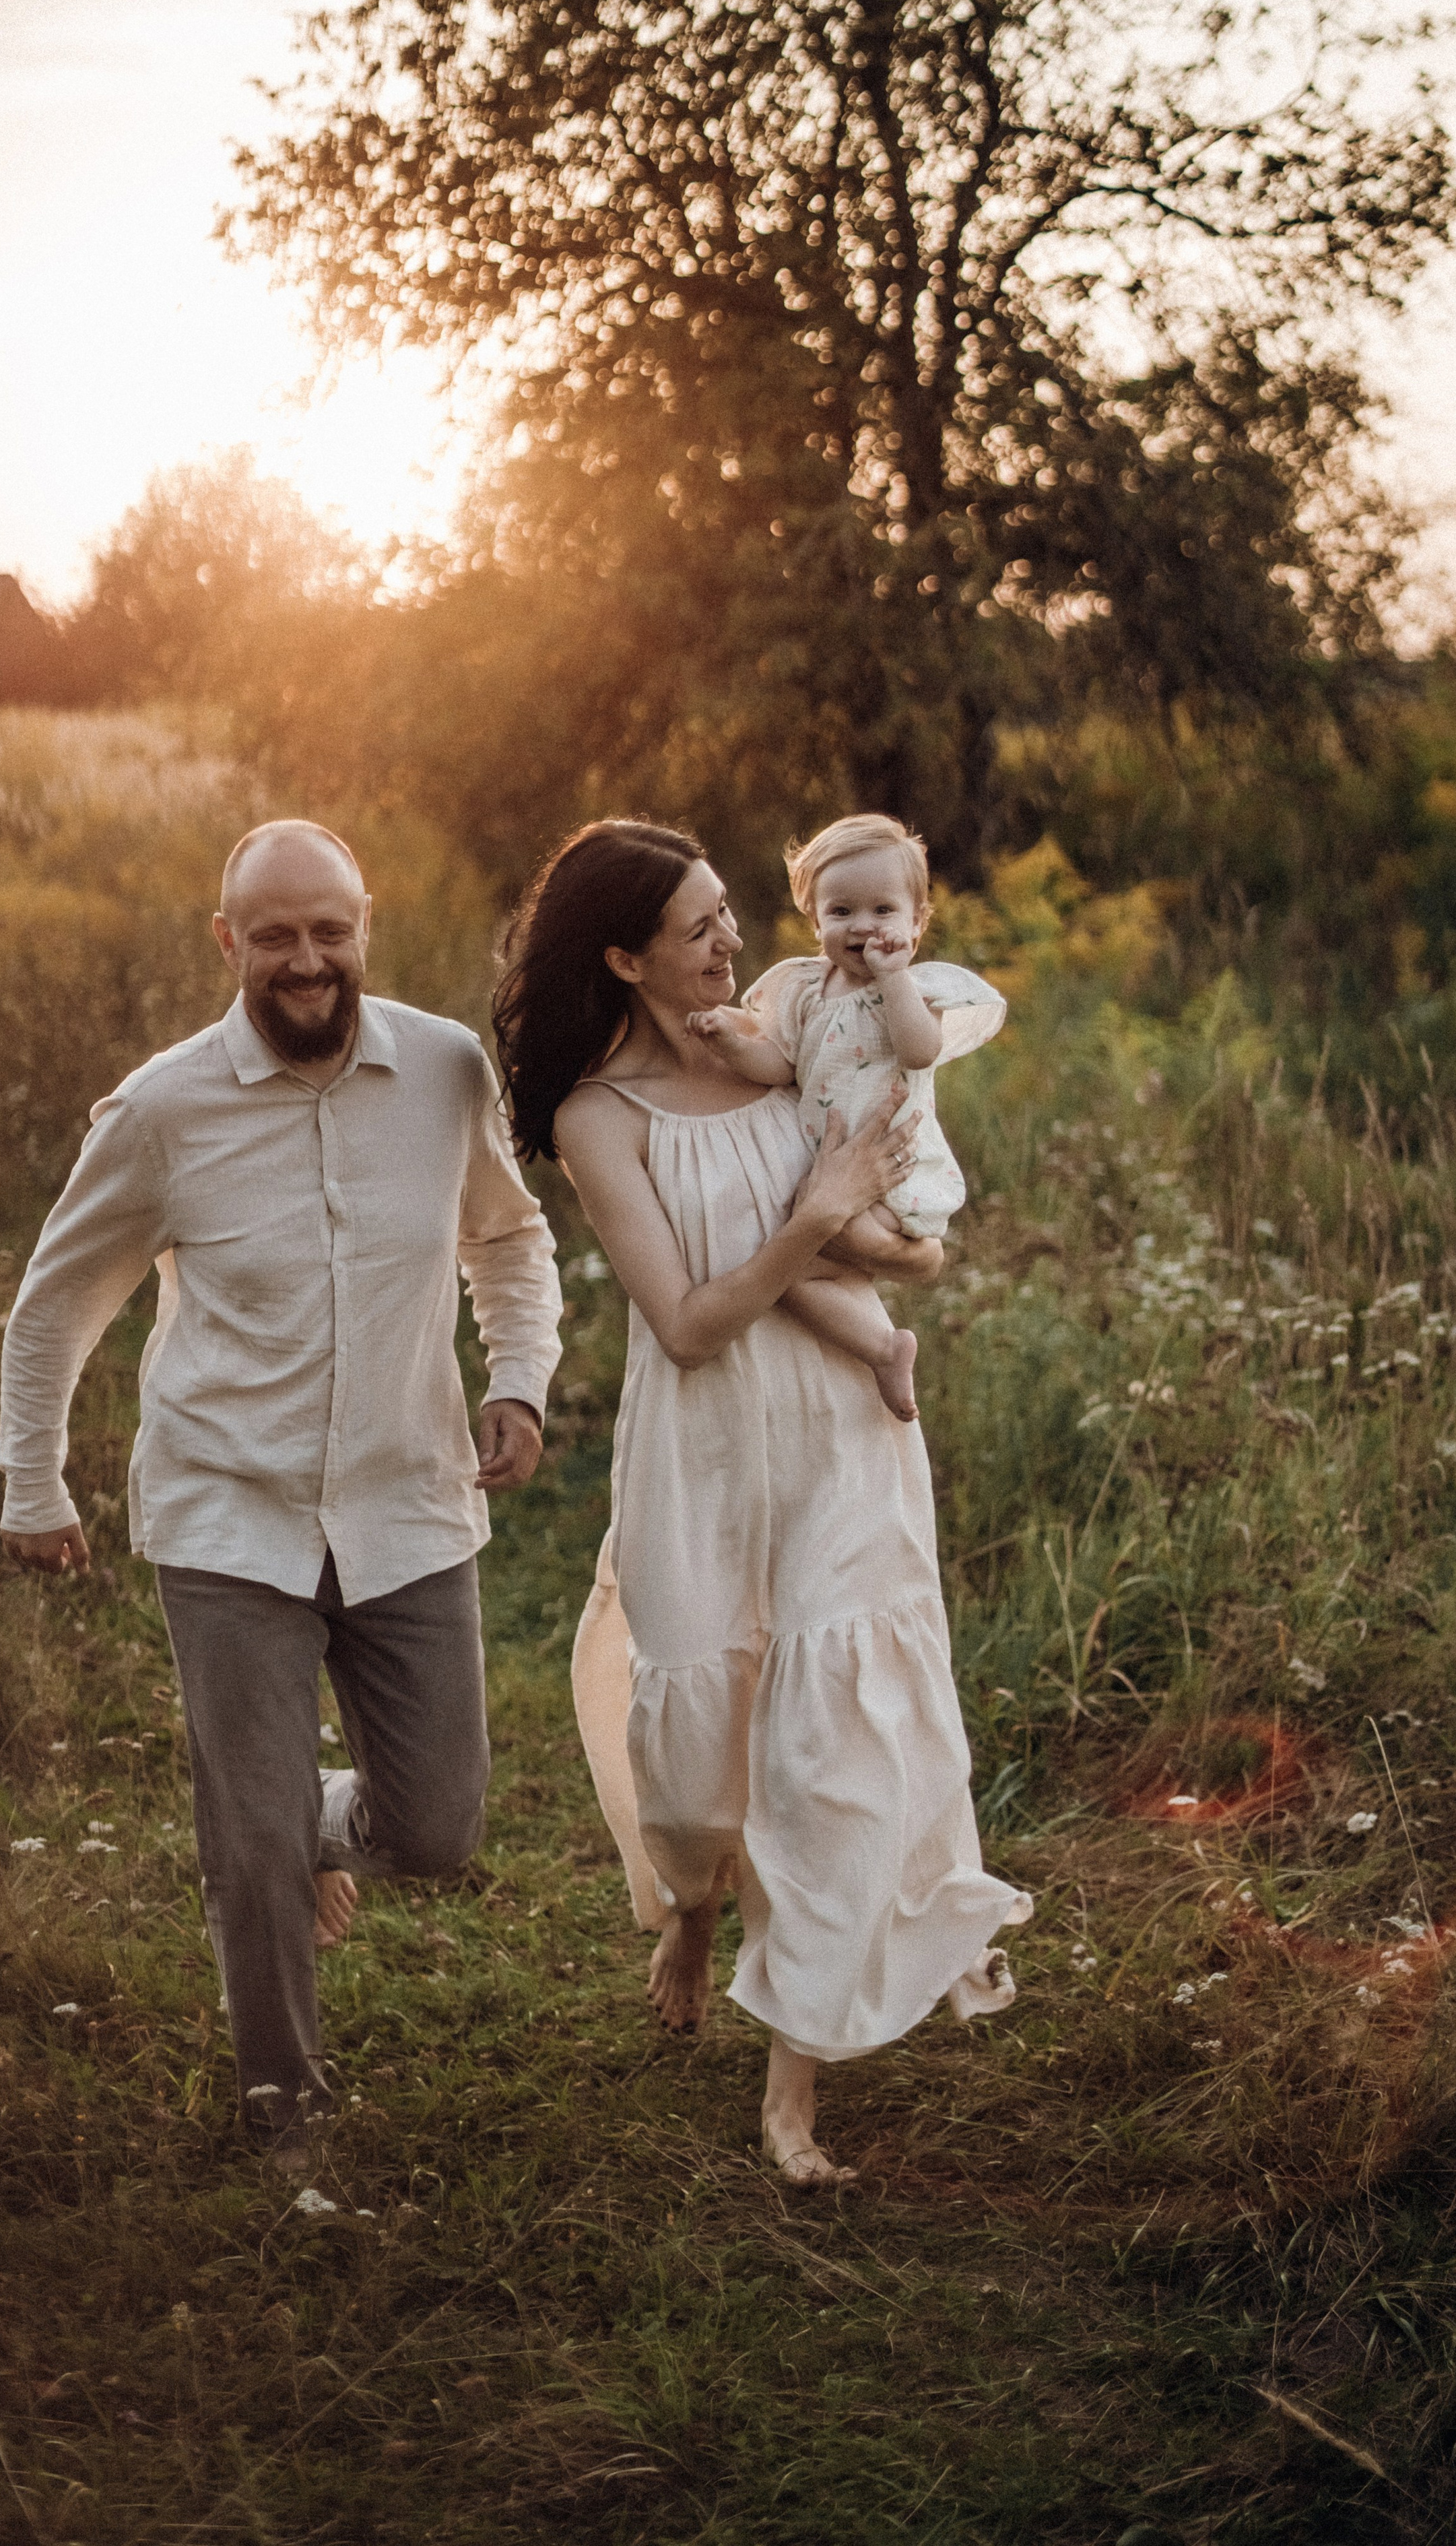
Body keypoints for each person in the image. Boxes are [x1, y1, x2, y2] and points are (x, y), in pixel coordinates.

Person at [0, 819, 563, 2169]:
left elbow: (507, 1236)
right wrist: (33, 1479)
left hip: (406, 1503)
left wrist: (520, 1380)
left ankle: (313, 1816)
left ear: (366, 924)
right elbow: (58, 1301)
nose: (307, 960)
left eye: (329, 930)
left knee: (435, 1826)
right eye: (274, 936)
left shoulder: (444, 1069)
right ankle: (284, 2110)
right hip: (227, 1513)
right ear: (227, 942)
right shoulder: (161, 1110)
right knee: (248, 1845)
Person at [492, 818, 1028, 2188]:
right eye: (698, 928)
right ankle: (690, 1904)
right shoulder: (598, 1119)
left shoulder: (793, 1041)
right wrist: (816, 1214)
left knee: (825, 1748)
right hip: (709, 1453)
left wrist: (876, 1232)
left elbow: (915, 1251)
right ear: (625, 959)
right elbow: (686, 1325)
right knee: (695, 1768)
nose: (733, 942)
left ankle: (793, 2091)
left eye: (730, 912)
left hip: (846, 1434)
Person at [686, 812, 1005, 1419]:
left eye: (884, 910)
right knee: (790, 1271)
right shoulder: (806, 990)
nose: (863, 926)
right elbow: (782, 1064)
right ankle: (884, 1349)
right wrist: (729, 1045)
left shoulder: (914, 989)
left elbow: (920, 1050)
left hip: (891, 1171)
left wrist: (893, 979)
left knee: (799, 1258)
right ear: (816, 920)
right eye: (841, 911)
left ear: (917, 921)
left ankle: (884, 1342)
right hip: (833, 1172)